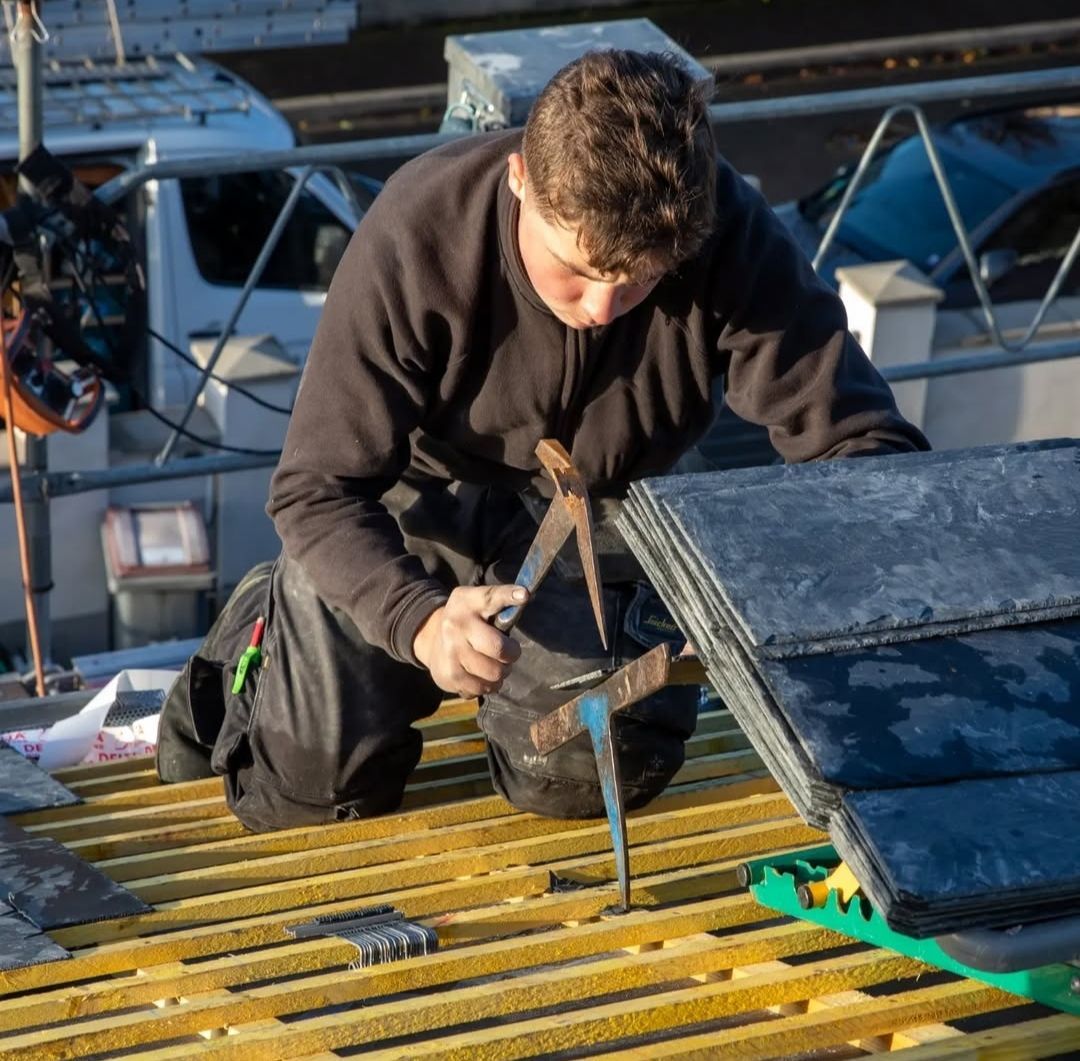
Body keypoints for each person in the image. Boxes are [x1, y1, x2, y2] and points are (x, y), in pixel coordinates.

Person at [156, 49, 929, 832]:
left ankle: (515, 711)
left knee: (589, 775)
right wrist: (418, 619)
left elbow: (862, 445)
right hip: (412, 503)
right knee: (311, 794)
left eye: (638, 281)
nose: (601, 307)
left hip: (605, 513)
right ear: (520, 178)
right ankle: (264, 619)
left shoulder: (726, 232)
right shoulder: (419, 229)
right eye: (576, 269)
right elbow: (314, 487)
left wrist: (824, 581)